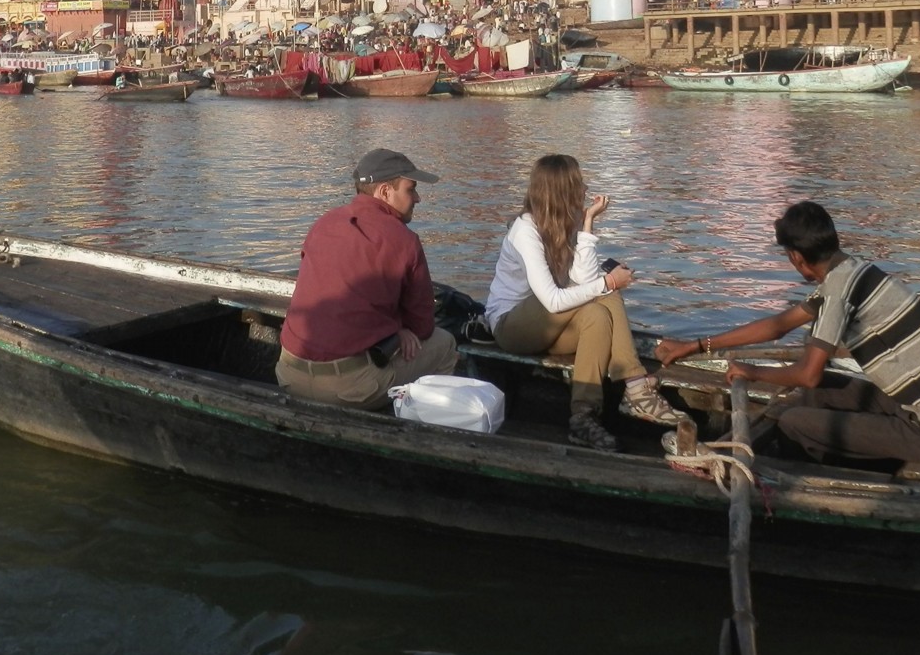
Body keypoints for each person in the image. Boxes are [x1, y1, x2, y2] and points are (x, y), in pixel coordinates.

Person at [655, 201, 920, 477]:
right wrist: (697, 345)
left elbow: (807, 374)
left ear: (796, 258)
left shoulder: (838, 294)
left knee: (794, 421)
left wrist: (752, 373)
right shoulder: (852, 270)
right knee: (818, 393)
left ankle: (802, 485)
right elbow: (778, 325)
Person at [484, 154, 684, 451]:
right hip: (512, 326)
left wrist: (588, 222)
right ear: (563, 190)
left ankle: (583, 416)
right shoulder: (525, 229)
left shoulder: (569, 221)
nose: (585, 188)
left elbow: (583, 276)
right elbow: (552, 300)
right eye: (579, 183)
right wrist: (609, 283)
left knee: (598, 315)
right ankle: (636, 387)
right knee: (605, 289)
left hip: (551, 327)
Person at [276, 148, 458, 410]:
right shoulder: (405, 241)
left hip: (288, 375)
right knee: (444, 344)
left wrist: (395, 327)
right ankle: (421, 431)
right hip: (349, 389)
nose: (417, 198)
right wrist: (400, 328)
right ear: (385, 192)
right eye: (411, 189)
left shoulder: (323, 223)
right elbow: (423, 327)